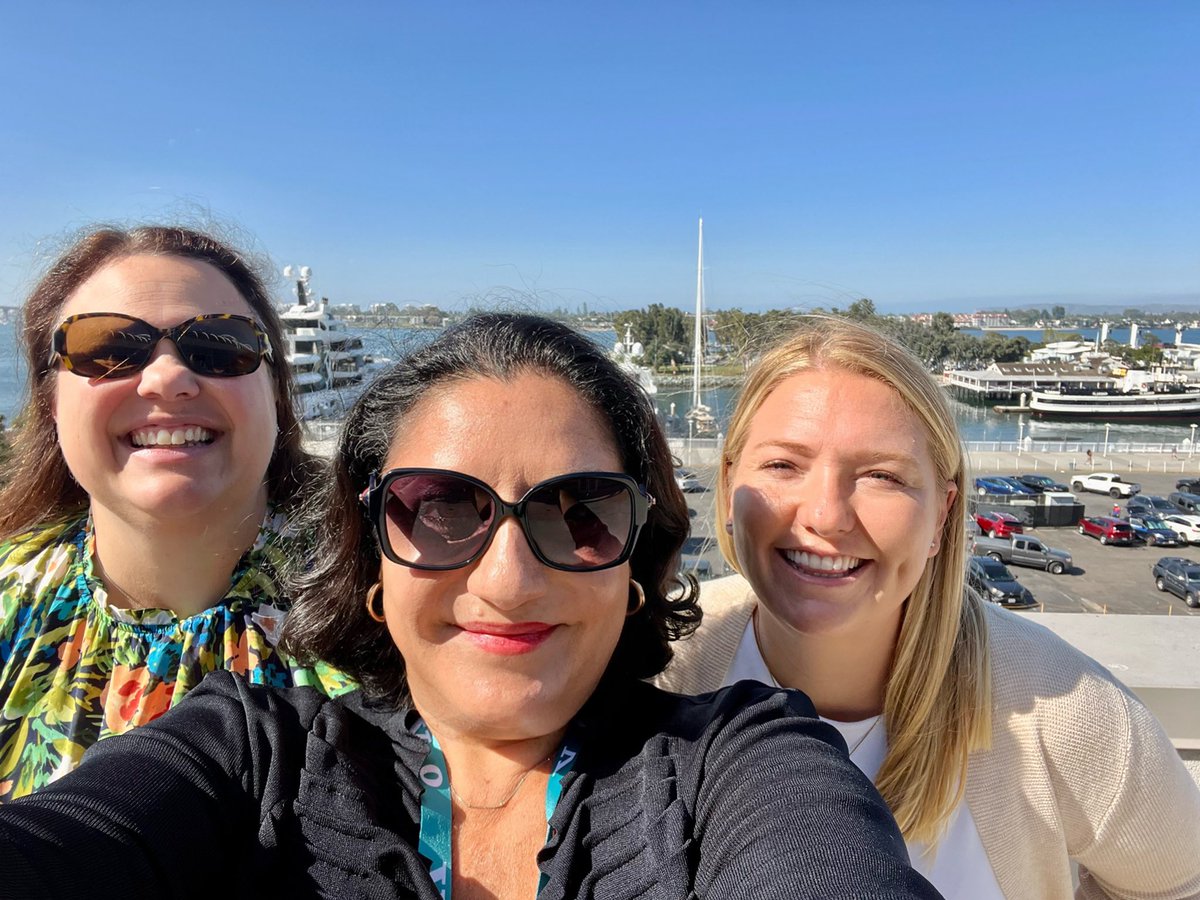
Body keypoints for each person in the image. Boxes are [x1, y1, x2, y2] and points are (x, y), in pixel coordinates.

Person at [0, 314, 941, 899]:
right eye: (442, 509)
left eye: (579, 514)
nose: (507, 581)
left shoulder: (740, 762)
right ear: (373, 553)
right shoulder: (251, 753)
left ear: (635, 564)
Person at [657, 316, 1200, 898]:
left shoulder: (1064, 709)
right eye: (784, 465)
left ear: (942, 514)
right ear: (730, 484)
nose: (826, 515)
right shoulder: (664, 664)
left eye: (882, 476)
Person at [0, 224, 349, 801]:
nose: (168, 378)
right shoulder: (11, 601)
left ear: (276, 392)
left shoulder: (388, 609)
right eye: (108, 349)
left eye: (219, 346)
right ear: (50, 402)